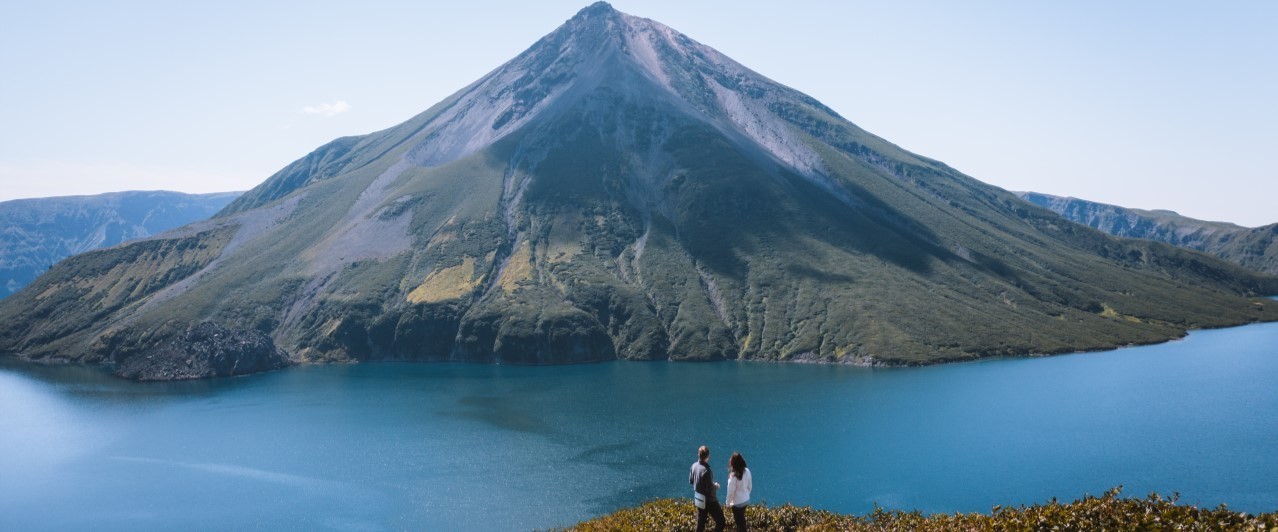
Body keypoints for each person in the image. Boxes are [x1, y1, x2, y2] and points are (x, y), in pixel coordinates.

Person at [689, 445, 726, 532]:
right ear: (708, 456)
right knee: (721, 522)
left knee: (701, 523)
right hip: (709, 501)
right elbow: (710, 488)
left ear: (699, 454)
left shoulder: (693, 466)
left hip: (698, 498)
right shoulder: (706, 470)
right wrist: (716, 485)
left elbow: (691, 481)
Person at [725, 452, 752, 531]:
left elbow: (730, 493)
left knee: (739, 523)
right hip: (746, 500)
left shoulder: (733, 477)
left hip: (737, 503)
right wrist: (746, 495)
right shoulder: (747, 471)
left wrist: (728, 504)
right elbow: (749, 486)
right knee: (741, 520)